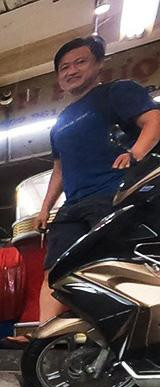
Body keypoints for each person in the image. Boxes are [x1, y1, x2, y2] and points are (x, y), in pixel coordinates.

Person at [34, 35, 160, 322]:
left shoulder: (117, 92)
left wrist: (134, 153)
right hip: (74, 204)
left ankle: (124, 335)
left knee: (111, 266)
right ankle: (42, 338)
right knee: (55, 270)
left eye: (80, 62)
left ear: (99, 64)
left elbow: (154, 121)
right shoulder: (61, 121)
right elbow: (59, 170)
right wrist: (45, 207)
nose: (71, 71)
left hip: (114, 194)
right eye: (64, 67)